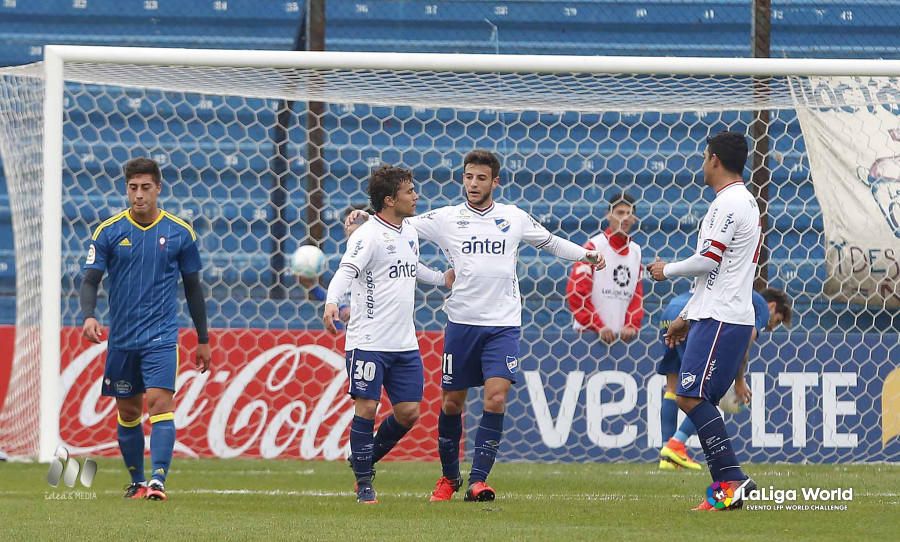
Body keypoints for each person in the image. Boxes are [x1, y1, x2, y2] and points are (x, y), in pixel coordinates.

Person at [347, 150, 605, 502]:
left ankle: (478, 481)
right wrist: (363, 218)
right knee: (452, 404)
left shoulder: (513, 218)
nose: (473, 183)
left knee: (496, 397)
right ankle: (449, 478)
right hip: (461, 324)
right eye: (469, 177)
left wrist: (585, 254)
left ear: (494, 181)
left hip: (503, 325)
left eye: (481, 178)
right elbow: (396, 224)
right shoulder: (445, 218)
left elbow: (549, 242)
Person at [80, 157, 210, 501]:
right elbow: (90, 279)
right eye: (133, 188)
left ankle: (158, 480)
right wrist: (89, 315)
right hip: (122, 339)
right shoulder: (108, 231)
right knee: (128, 412)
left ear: (158, 189)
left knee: (159, 403)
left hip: (162, 337)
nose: (139, 195)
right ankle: (137, 481)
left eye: (146, 188)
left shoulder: (180, 233)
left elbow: (194, 288)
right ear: (127, 189)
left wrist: (203, 339)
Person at [647, 131, 761, 511]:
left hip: (724, 318)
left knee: (692, 395)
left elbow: (708, 261)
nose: (702, 163)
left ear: (714, 159)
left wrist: (666, 270)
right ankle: (729, 485)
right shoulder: (731, 202)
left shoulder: (731, 204)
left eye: (703, 156)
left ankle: (731, 481)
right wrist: (683, 317)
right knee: (693, 395)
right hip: (713, 314)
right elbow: (712, 275)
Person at [324, 165, 451, 504]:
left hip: (404, 343)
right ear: (389, 200)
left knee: (409, 412)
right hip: (368, 342)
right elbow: (345, 271)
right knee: (366, 408)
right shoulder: (368, 236)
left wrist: (441, 279)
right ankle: (364, 484)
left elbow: (413, 265)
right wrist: (332, 301)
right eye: (410, 191)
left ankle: (362, 459)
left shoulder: (408, 230)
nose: (416, 196)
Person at [656, 287, 792, 470]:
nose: (771, 327)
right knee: (707, 392)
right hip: (694, 316)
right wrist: (739, 381)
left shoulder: (739, 291)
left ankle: (667, 457)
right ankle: (676, 444)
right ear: (772, 306)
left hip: (674, 308)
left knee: (672, 387)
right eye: (776, 321)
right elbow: (745, 343)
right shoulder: (759, 306)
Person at [566, 192, 643, 343]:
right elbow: (576, 292)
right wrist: (597, 326)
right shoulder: (593, 247)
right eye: (620, 213)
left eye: (630, 213)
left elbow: (637, 295)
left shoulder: (636, 252)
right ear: (608, 215)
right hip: (589, 336)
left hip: (621, 338)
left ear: (634, 219)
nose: (625, 217)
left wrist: (631, 324)